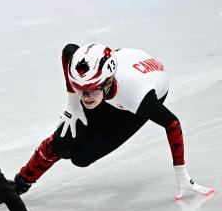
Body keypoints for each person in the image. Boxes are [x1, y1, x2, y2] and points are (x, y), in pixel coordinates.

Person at [14, 43, 214, 199]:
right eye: (80, 89)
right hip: (120, 77)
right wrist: (72, 103)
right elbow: (69, 51)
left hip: (139, 93)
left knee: (80, 158)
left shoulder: (137, 98)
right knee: (62, 141)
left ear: (108, 81)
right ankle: (20, 183)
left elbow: (173, 124)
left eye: (91, 90)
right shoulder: (88, 78)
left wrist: (181, 172)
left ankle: (71, 149)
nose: (85, 96)